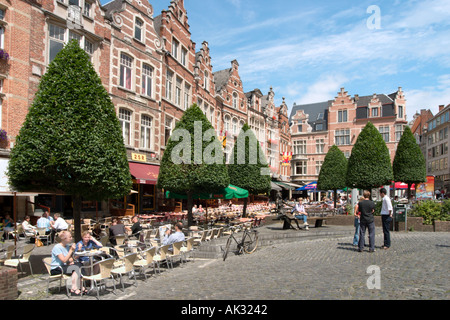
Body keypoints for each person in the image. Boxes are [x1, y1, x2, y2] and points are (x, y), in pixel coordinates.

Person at [50, 230, 84, 296]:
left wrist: (71, 260)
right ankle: (73, 288)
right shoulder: (57, 247)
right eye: (70, 237)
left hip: (64, 266)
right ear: (64, 239)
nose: (71, 238)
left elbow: (70, 259)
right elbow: (64, 260)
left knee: (80, 264)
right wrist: (71, 251)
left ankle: (79, 286)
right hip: (56, 268)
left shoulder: (67, 246)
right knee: (76, 268)